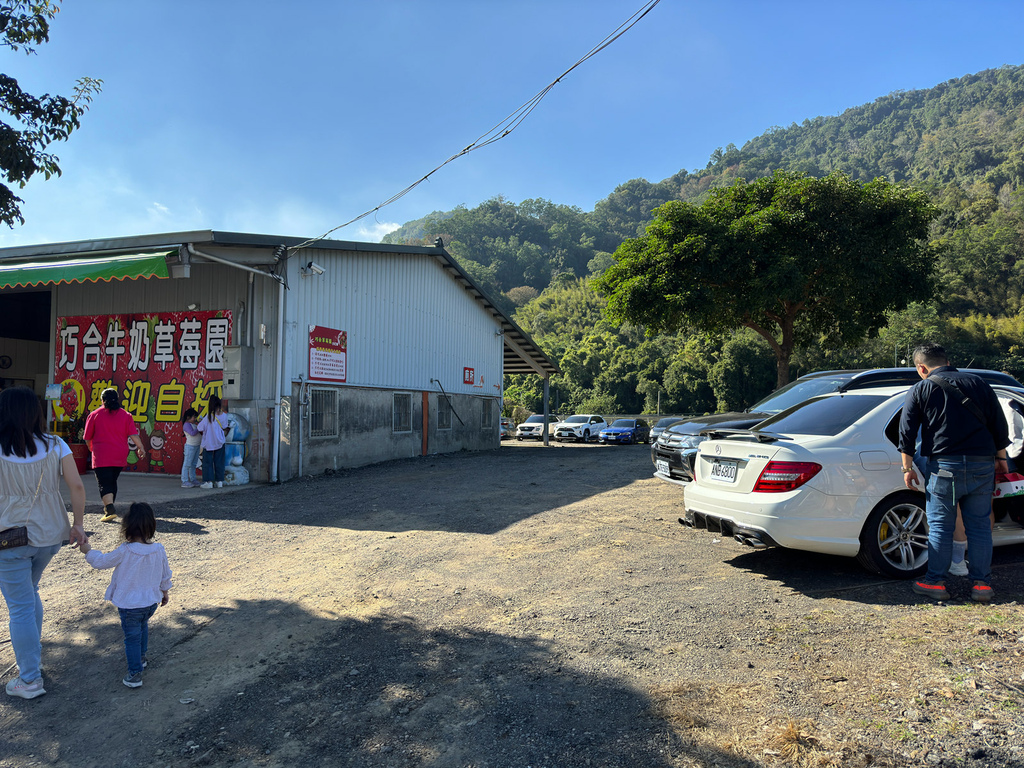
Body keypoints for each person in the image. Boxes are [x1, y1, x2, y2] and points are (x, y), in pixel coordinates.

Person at [898, 343, 1009, 603]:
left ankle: (935, 582)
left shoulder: (922, 387)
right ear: (947, 361)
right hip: (983, 464)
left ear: (921, 367)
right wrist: (1001, 458)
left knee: (940, 527)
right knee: (980, 527)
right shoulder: (979, 383)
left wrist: (907, 467)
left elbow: (907, 431)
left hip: (944, 467)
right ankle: (981, 585)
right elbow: (998, 423)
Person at [0, 386, 87, 700]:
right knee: (30, 592)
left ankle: (30, 679)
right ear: (35, 413)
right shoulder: (56, 443)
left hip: (7, 538)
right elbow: (76, 486)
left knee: (20, 606)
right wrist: (78, 524)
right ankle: (31, 658)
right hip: (50, 534)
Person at [80, 501, 172, 688]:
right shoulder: (159, 549)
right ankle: (142, 657)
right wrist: (165, 592)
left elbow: (101, 562)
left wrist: (88, 551)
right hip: (151, 602)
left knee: (131, 637)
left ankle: (135, 674)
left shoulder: (125, 550)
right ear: (151, 525)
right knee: (143, 627)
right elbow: (165, 574)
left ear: (127, 527)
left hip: (130, 605)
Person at [84, 388, 146, 522]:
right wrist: (141, 447)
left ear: (102, 400)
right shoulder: (126, 415)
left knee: (104, 482)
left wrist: (91, 449)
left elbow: (87, 437)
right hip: (119, 454)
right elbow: (133, 434)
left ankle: (110, 509)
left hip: (101, 454)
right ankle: (109, 506)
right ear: (117, 399)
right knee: (112, 480)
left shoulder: (94, 415)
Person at [196, 396, 229, 489]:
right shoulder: (224, 415)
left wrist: (200, 421)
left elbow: (200, 427)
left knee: (207, 463)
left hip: (209, 443)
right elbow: (225, 426)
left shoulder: (209, 417)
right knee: (219, 462)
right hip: (220, 442)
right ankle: (219, 482)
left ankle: (209, 482)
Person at [180, 408, 202, 488]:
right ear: (188, 417)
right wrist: (198, 427)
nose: (195, 419)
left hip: (196, 446)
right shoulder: (186, 425)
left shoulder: (193, 424)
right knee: (187, 464)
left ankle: (193, 479)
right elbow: (192, 433)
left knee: (193, 464)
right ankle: (184, 480)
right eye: (194, 417)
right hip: (190, 447)